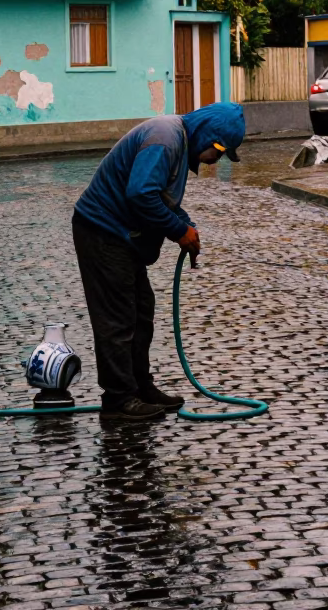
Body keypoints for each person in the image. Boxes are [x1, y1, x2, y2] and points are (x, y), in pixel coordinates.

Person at [72, 101, 245, 420]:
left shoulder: (177, 142)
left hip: (123, 235)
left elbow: (161, 198)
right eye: (218, 152)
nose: (214, 162)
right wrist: (178, 230)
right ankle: (118, 401)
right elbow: (141, 194)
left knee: (141, 313)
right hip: (102, 231)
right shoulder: (166, 139)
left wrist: (185, 225)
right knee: (118, 319)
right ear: (208, 136)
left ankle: (140, 386)